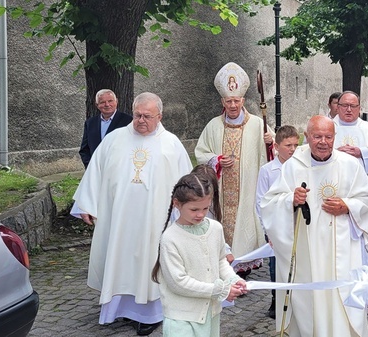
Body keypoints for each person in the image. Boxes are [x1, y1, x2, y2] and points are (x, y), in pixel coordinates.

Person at [72, 92, 192, 336]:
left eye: (147, 116)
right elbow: (95, 171)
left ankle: (149, 314)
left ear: (160, 116)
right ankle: (117, 308)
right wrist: (85, 204)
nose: (140, 120)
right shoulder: (115, 139)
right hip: (119, 218)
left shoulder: (171, 144)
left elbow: (185, 182)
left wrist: (186, 212)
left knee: (150, 261)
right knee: (120, 258)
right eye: (137, 115)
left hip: (155, 220)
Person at [260, 115, 368, 337]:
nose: (323, 141)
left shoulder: (350, 164)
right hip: (308, 248)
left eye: (328, 136)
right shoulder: (293, 166)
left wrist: (347, 205)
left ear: (335, 137)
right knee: (311, 297)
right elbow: (269, 202)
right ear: (307, 137)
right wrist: (291, 200)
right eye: (317, 136)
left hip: (343, 248)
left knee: (340, 295)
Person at [195, 62, 275, 278]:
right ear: (222, 101)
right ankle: (220, 266)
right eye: (229, 101)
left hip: (247, 190)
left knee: (245, 228)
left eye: (236, 100)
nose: (233, 105)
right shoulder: (213, 126)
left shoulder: (258, 125)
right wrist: (217, 160)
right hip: (221, 192)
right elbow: (200, 152)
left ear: (243, 100)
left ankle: (242, 269)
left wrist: (270, 142)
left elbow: (274, 158)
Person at [152, 173, 248, 337]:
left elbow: (220, 261)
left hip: (210, 313)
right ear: (177, 204)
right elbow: (178, 282)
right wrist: (220, 290)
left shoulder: (215, 228)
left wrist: (233, 280)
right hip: (181, 317)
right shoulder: (170, 239)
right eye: (194, 209)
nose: (201, 214)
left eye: (205, 208)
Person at [255, 125, 300, 319]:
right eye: (288, 145)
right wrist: (268, 231)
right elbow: (260, 200)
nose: (292, 149)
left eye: (296, 145)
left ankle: (297, 297)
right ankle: (276, 297)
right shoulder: (268, 170)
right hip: (276, 226)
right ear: (276, 146)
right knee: (275, 265)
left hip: (296, 222)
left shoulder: (300, 167)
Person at [78, 89, 133, 168]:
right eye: (102, 102)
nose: (107, 104)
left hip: (119, 169)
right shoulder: (90, 123)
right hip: (95, 169)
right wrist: (91, 167)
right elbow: (84, 149)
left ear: (116, 101)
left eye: (110, 101)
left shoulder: (128, 121)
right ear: (97, 105)